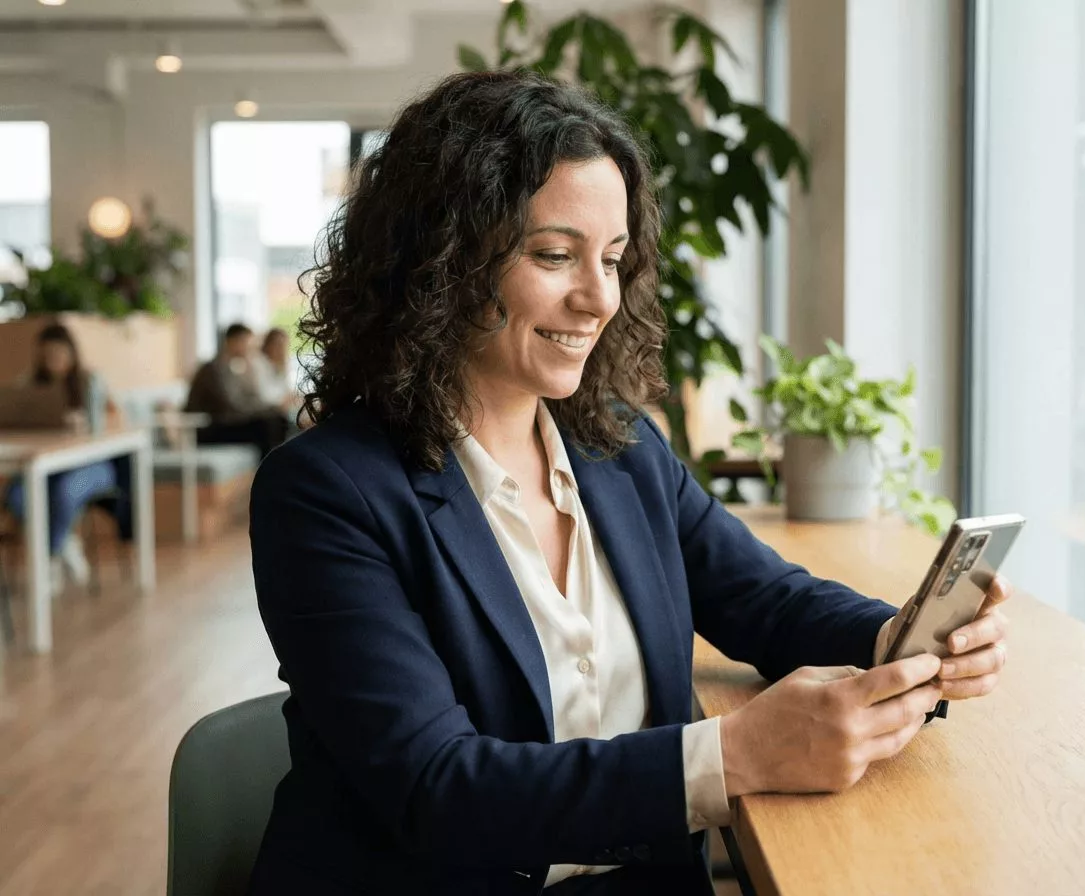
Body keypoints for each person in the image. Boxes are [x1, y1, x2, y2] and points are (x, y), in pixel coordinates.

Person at [248, 71, 1011, 896]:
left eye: (612, 259)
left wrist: (905, 640)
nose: (598, 298)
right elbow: (437, 789)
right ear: (440, 262)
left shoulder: (621, 447)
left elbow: (768, 601)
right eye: (554, 255)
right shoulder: (325, 492)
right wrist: (734, 755)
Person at [4, 323, 129, 588]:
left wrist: (88, 422)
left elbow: (118, 418)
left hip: (93, 466)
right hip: (46, 465)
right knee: (18, 496)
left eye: (58, 353)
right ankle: (64, 543)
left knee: (65, 492)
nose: (53, 360)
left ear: (72, 353)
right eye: (47, 355)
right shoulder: (28, 386)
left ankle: (50, 555)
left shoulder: (90, 381)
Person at [184, 323, 289, 460]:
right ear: (232, 341)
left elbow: (247, 399)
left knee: (278, 420)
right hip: (207, 429)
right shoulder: (214, 369)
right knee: (267, 425)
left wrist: (271, 408)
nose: (250, 349)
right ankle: (268, 469)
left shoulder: (232, 367)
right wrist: (270, 408)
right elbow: (233, 405)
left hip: (224, 423)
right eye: (247, 344)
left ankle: (273, 467)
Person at [251, 327, 299, 411]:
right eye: (277, 344)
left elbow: (287, 388)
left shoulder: (282, 364)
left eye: (284, 345)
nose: (281, 349)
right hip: (264, 411)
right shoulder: (258, 363)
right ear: (268, 345)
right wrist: (284, 400)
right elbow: (265, 396)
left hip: (280, 408)